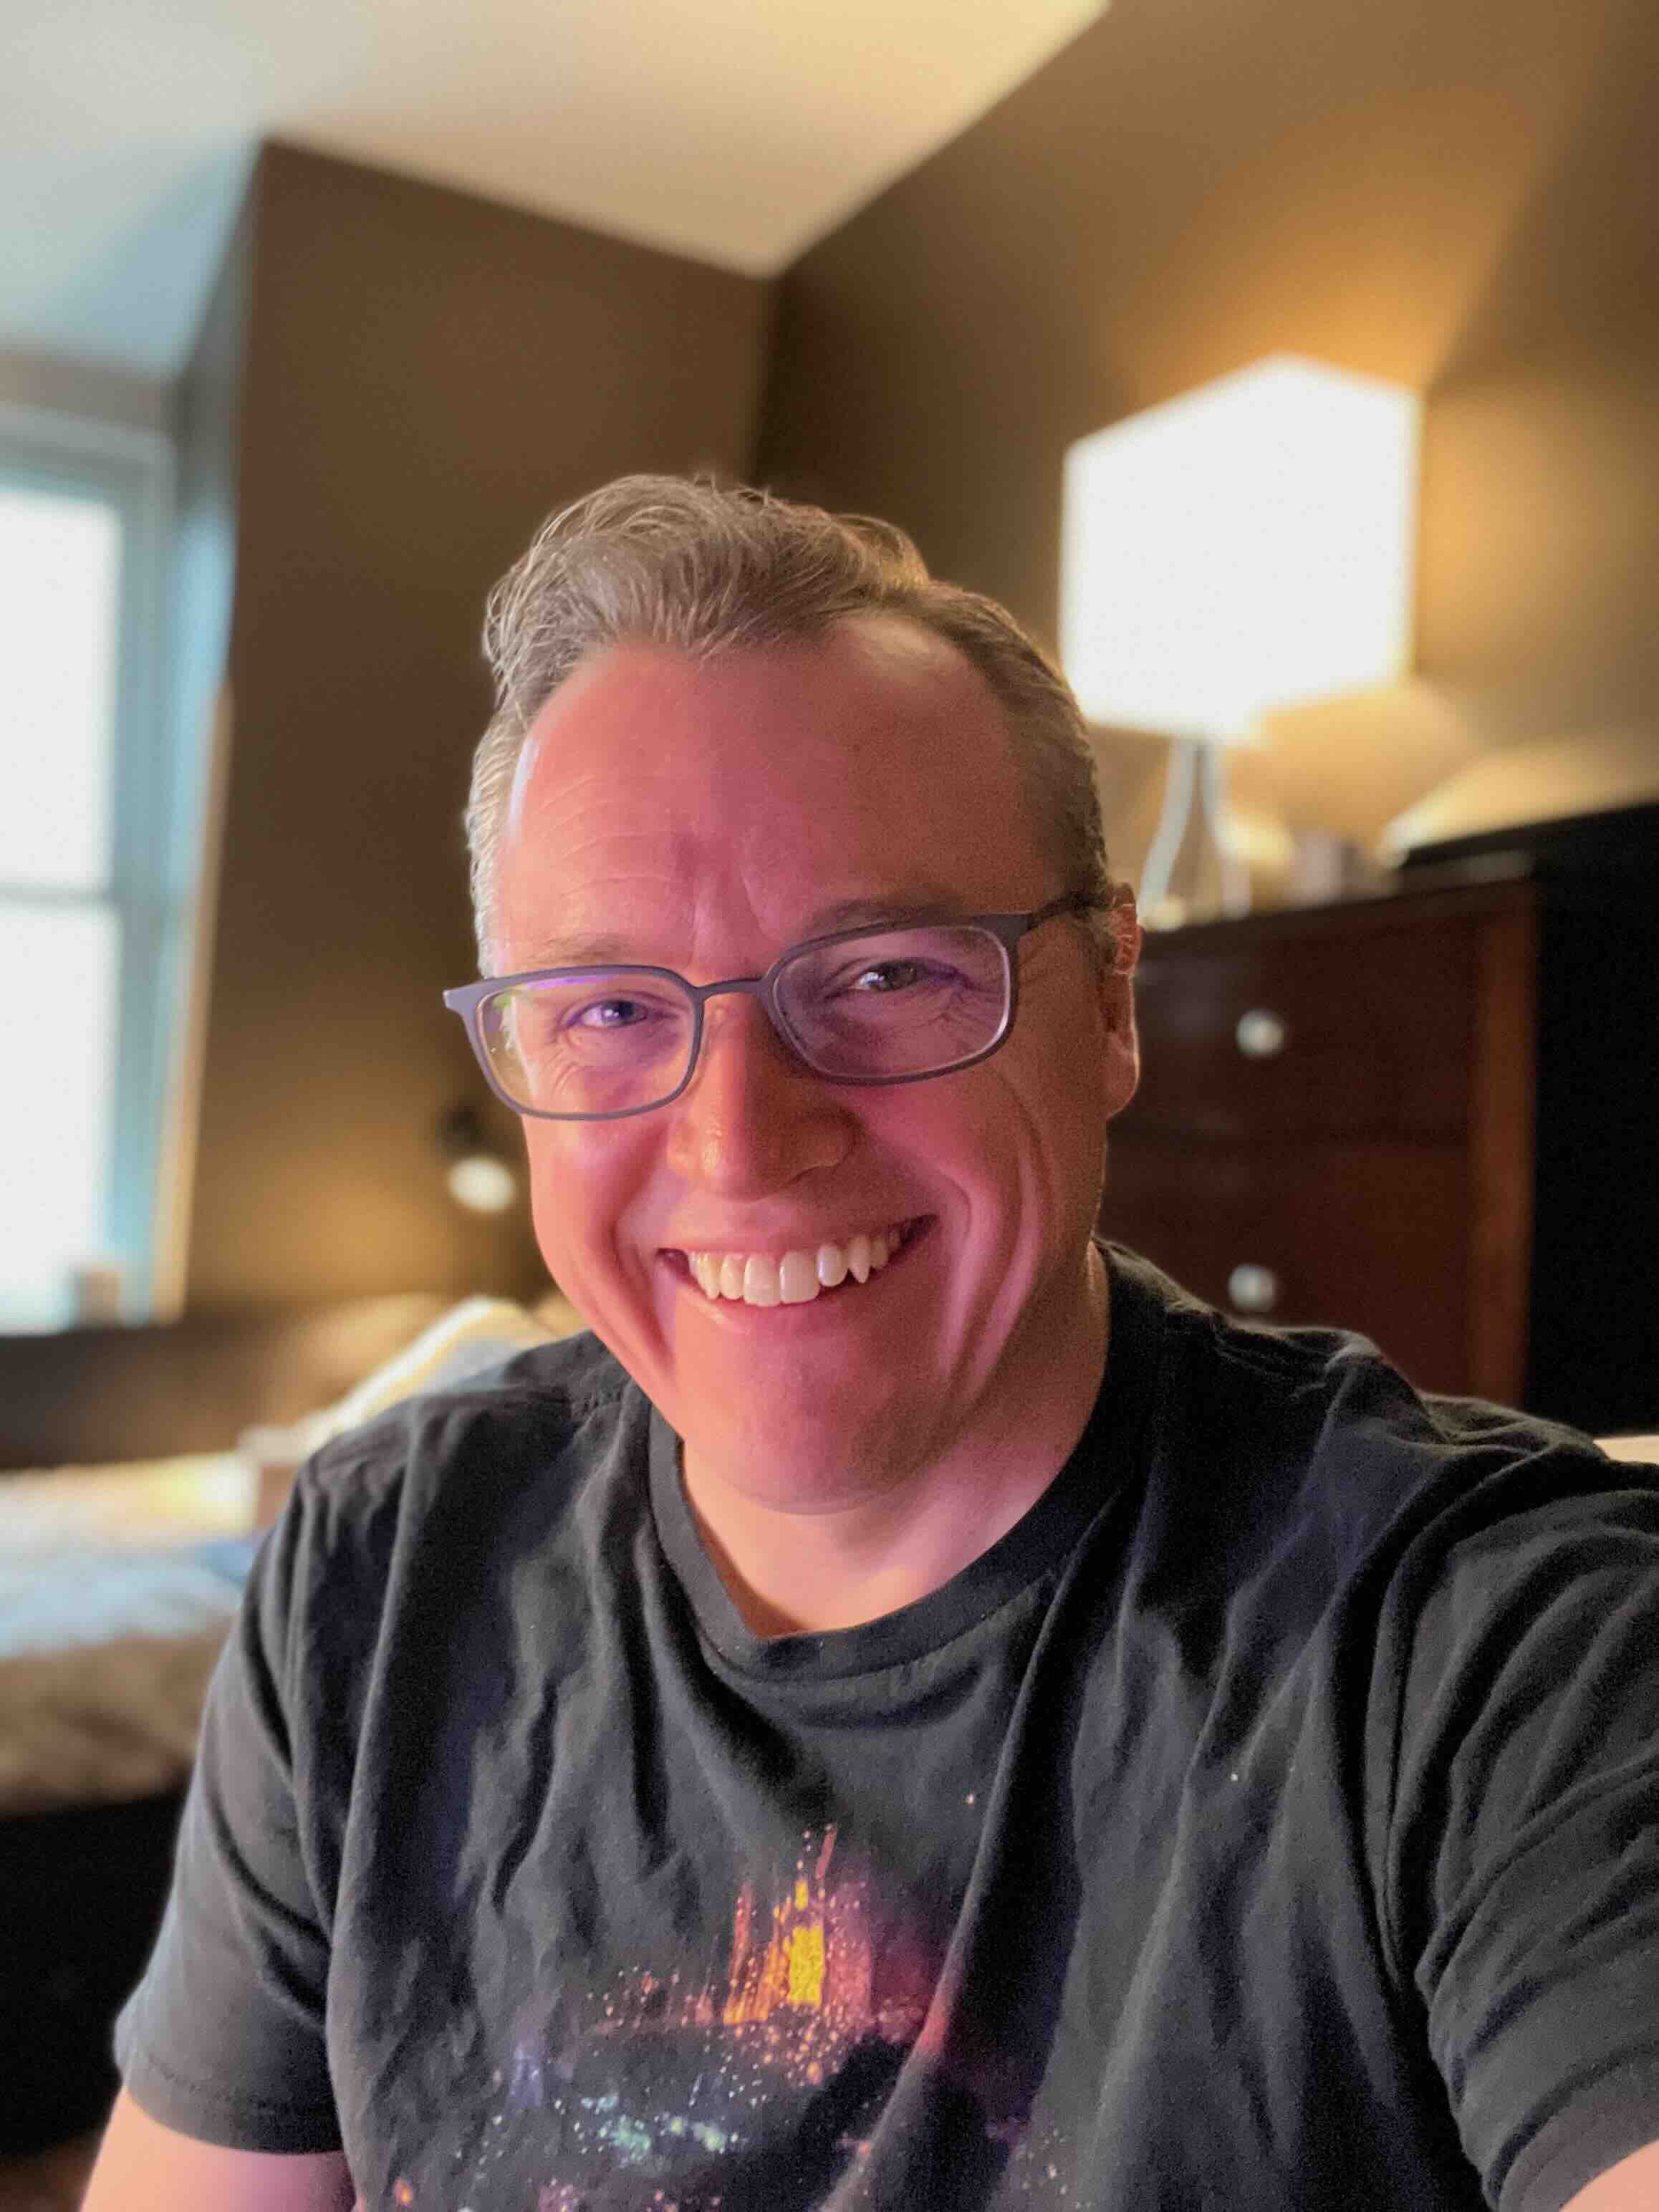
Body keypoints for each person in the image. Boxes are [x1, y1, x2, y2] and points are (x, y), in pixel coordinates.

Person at [85, 478, 1659, 2212]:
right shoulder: (374, 1572)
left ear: (1114, 999)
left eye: (890, 974)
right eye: (607, 1008)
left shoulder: (1490, 1645)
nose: (740, 1142)